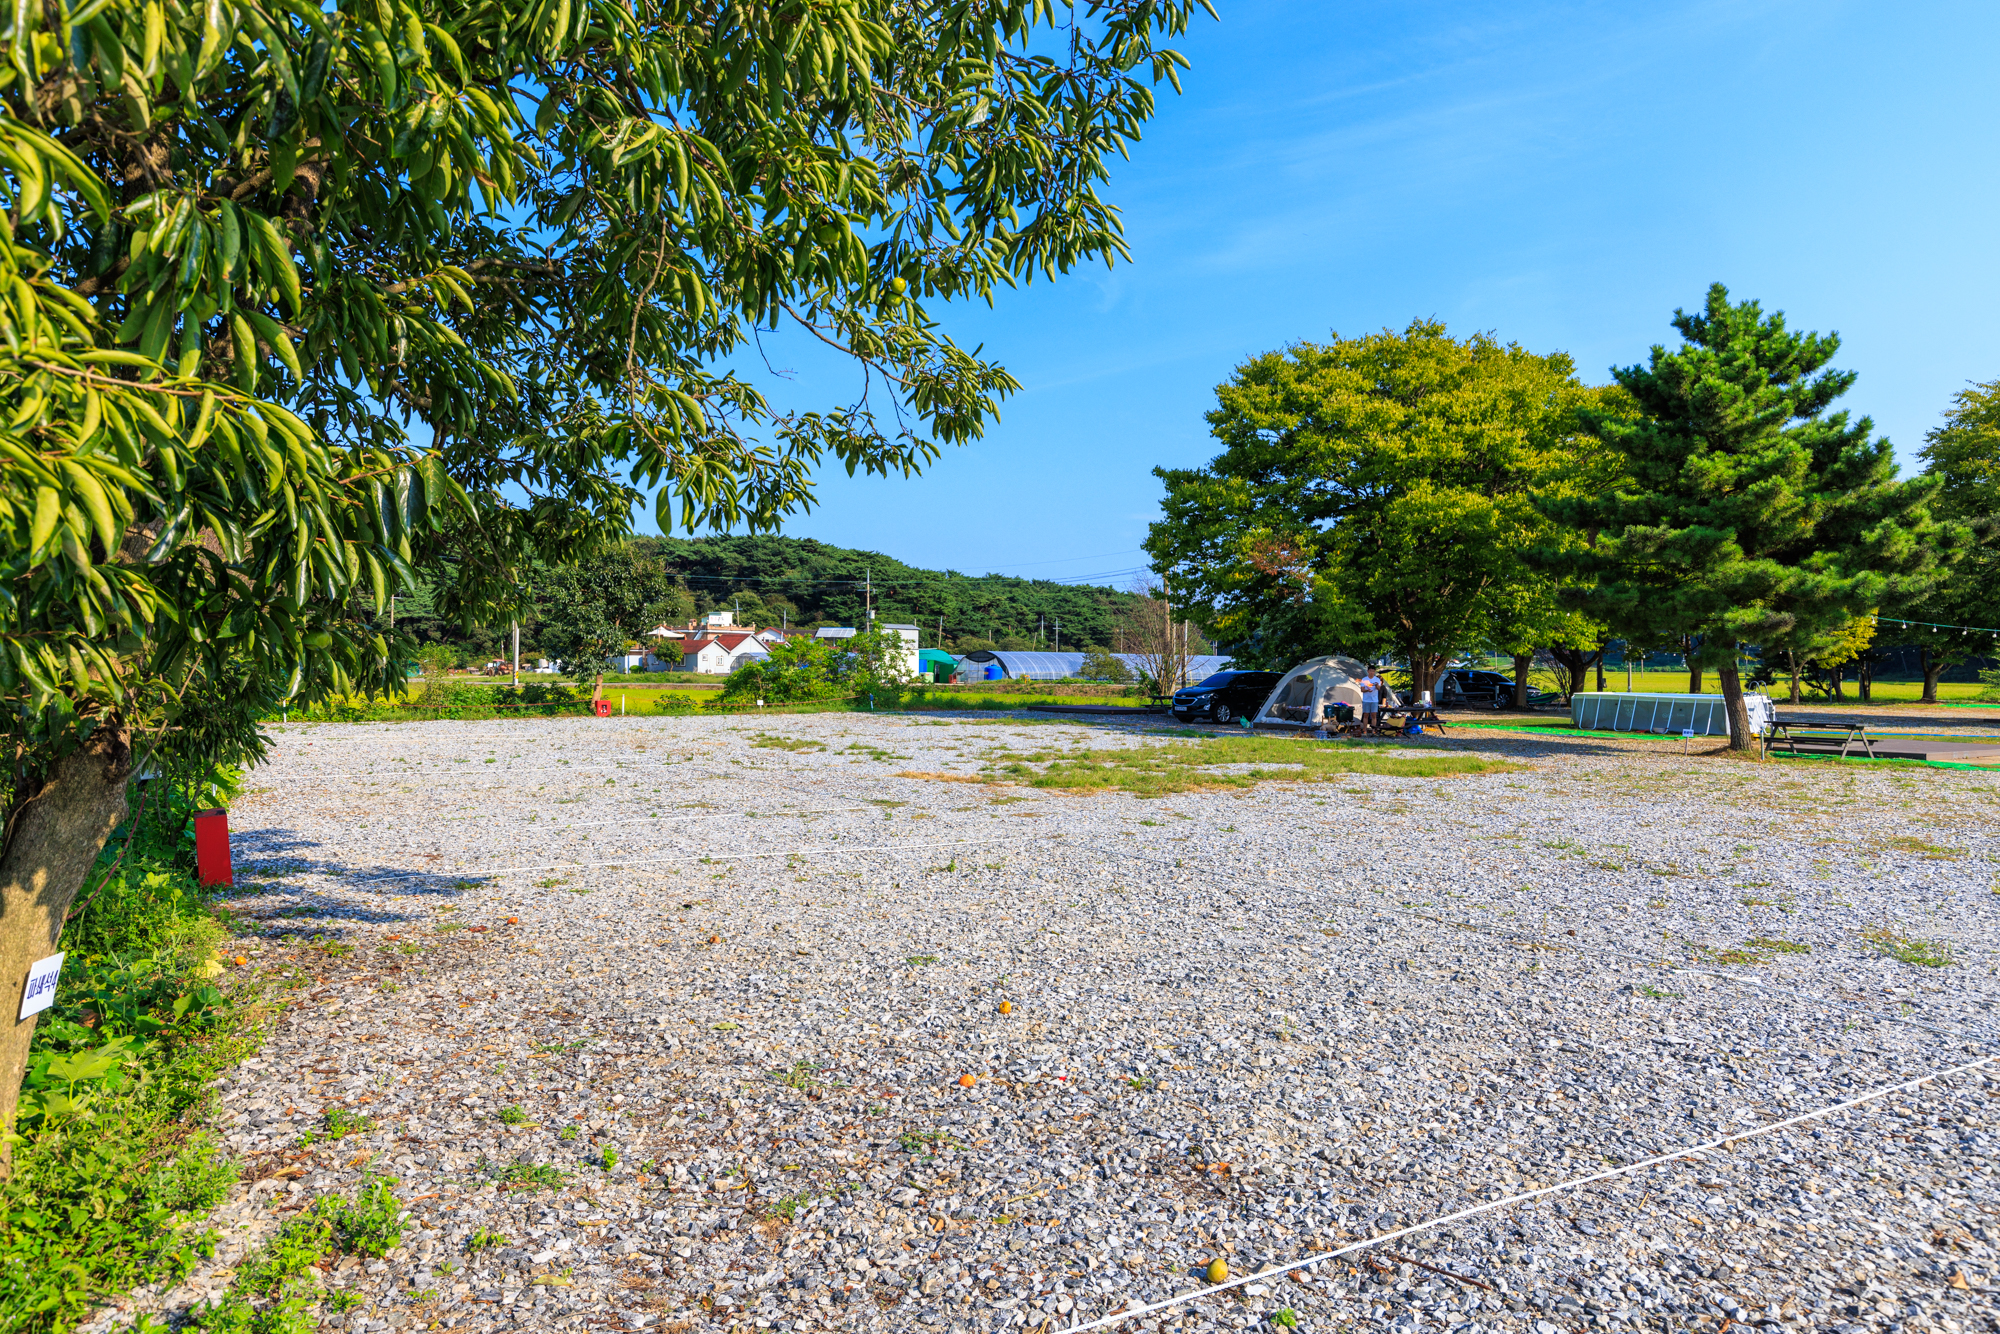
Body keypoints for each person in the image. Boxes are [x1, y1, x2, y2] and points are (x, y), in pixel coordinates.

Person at [1359, 670, 1380, 735]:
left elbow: (1379, 688)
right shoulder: (1364, 679)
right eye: (1370, 671)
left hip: (1374, 700)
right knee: (1366, 715)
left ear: (1374, 672)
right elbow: (1362, 689)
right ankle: (1365, 730)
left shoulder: (1377, 679)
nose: (1371, 672)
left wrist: (1376, 685)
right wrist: (1367, 690)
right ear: (1368, 671)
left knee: (1374, 715)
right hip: (1366, 700)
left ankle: (1373, 730)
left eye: (1373, 671)